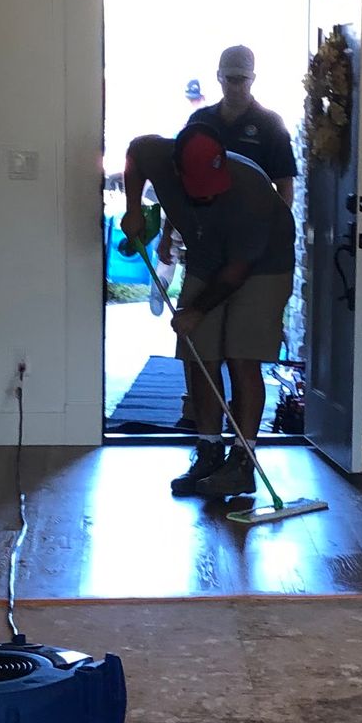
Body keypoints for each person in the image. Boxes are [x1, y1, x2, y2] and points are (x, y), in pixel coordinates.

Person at [123, 121, 296, 498]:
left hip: (262, 265)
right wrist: (133, 208)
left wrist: (196, 310)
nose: (206, 198)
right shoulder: (159, 155)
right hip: (205, 257)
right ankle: (209, 449)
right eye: (198, 191)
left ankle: (242, 462)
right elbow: (135, 153)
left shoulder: (250, 192)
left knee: (241, 355)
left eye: (211, 190)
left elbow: (236, 273)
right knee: (199, 352)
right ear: (176, 170)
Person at [191, 45, 296, 201]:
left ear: (252, 79)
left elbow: (285, 186)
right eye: (230, 79)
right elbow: (183, 174)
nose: (235, 87)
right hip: (206, 219)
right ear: (219, 76)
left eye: (241, 80)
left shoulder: (271, 125)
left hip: (253, 220)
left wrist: (276, 224)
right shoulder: (200, 121)